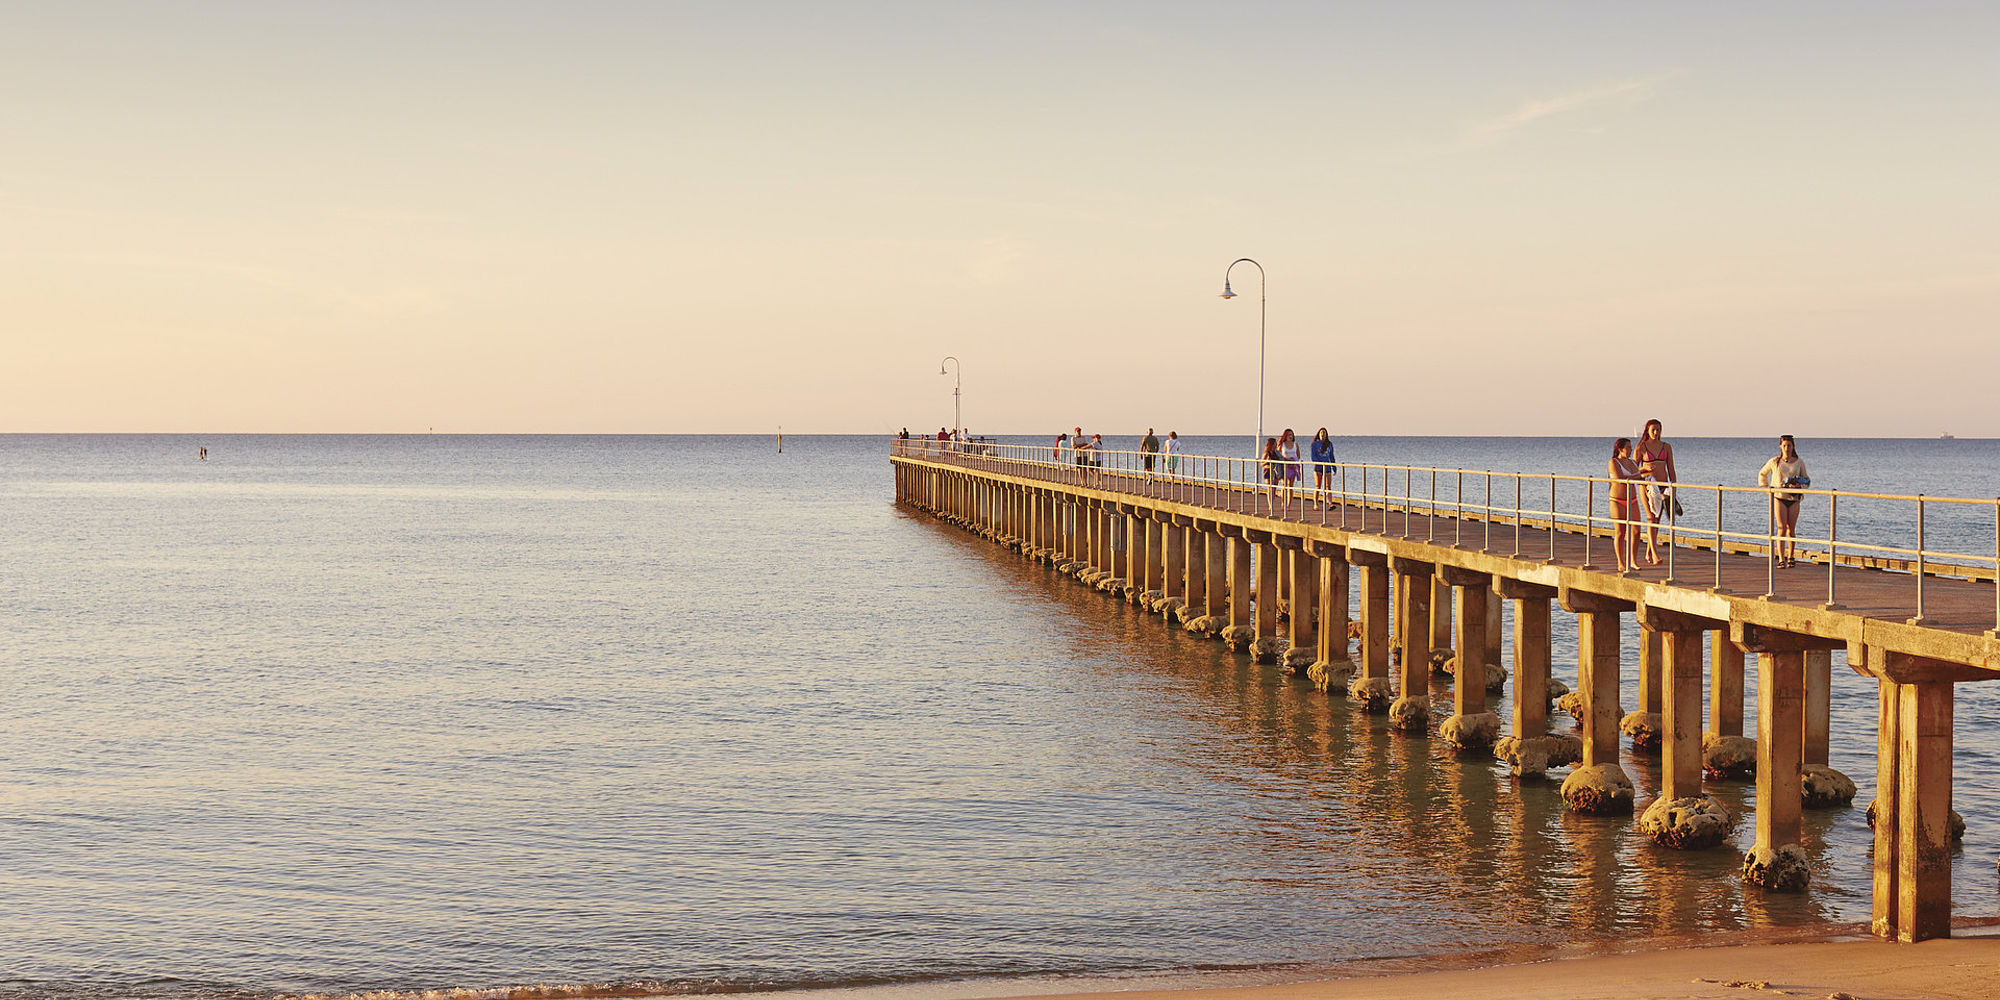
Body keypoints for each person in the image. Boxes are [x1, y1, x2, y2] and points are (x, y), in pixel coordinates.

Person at [1757, 435, 1810, 568]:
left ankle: (1791, 556)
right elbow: (1762, 474)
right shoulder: (1775, 461)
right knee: (1781, 528)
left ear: (1793, 447)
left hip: (1794, 498)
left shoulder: (1799, 462)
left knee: (1791, 529)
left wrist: (1799, 487)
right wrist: (1767, 489)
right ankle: (1781, 558)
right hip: (1779, 497)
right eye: (1784, 445)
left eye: (1789, 445)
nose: (1787, 448)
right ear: (1780, 446)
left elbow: (1807, 480)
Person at [1634, 418, 1677, 564]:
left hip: (1663, 485)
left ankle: (1648, 553)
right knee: (1651, 518)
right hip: (1647, 486)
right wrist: (1645, 469)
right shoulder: (1641, 447)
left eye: (1658, 429)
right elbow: (1634, 469)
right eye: (1653, 429)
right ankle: (1655, 554)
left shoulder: (1666, 447)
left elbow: (1671, 468)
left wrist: (1673, 487)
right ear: (1647, 430)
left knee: (1657, 519)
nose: (1656, 432)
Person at [1608, 437, 1644, 572]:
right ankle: (1621, 562)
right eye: (1628, 447)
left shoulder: (1633, 462)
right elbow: (1619, 480)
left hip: (1632, 499)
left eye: (1631, 447)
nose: (1630, 450)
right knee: (1620, 532)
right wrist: (1640, 473)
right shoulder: (1613, 462)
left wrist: (1647, 473)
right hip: (1617, 500)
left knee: (1636, 530)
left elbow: (1640, 478)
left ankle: (1633, 561)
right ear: (1620, 449)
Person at [1310, 428, 1335, 499]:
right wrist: (1319, 463)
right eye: (1321, 432)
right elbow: (1313, 456)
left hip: (1327, 467)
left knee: (1328, 486)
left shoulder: (1329, 444)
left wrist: (1334, 467)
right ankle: (1316, 503)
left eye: (1324, 432)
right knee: (1318, 485)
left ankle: (1330, 503)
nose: (1322, 434)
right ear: (1319, 434)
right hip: (1318, 467)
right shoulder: (1315, 444)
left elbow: (1331, 456)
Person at [1260, 437, 1283, 513]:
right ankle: (1270, 504)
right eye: (1275, 443)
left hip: (1275, 470)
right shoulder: (1266, 453)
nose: (1276, 444)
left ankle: (1272, 502)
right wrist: (1267, 462)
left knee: (1274, 489)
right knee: (1269, 488)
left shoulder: (1276, 452)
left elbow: (1281, 458)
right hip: (1268, 470)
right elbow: (1261, 463)